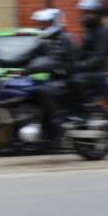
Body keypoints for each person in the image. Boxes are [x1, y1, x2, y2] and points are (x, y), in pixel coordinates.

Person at [18, 8, 75, 141]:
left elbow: (52, 61)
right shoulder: (47, 40)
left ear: (55, 22)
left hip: (67, 78)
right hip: (54, 77)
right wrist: (1, 61)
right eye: (41, 24)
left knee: (44, 90)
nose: (42, 27)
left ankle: (57, 125)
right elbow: (28, 55)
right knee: (29, 88)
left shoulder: (64, 38)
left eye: (45, 23)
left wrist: (29, 69)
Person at [70, 0, 108, 112]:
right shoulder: (90, 31)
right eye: (85, 12)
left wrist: (77, 66)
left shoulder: (103, 32)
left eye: (90, 13)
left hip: (98, 72)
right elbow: (82, 52)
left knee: (74, 80)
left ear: (99, 14)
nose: (86, 15)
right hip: (89, 70)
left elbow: (98, 58)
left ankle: (83, 108)